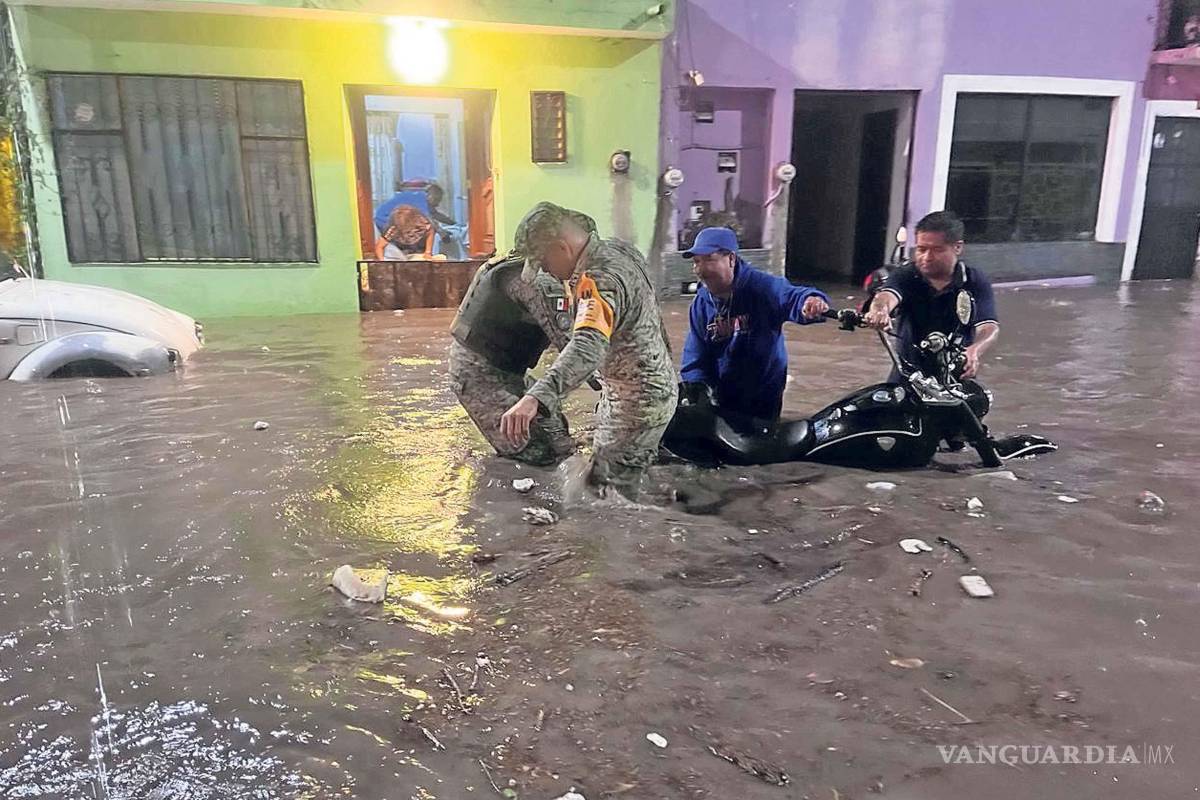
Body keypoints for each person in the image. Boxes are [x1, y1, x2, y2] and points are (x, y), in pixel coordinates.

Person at [498, 202, 677, 500]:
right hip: (646, 388)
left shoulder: (598, 279)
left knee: (604, 497)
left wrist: (535, 398)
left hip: (637, 402)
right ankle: (664, 500)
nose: (548, 273)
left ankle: (672, 532)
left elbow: (587, 345)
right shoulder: (621, 251)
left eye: (544, 263)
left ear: (561, 248)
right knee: (619, 479)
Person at [448, 233, 577, 465]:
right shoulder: (538, 282)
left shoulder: (511, 261)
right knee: (537, 453)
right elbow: (575, 349)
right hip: (478, 376)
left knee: (560, 439)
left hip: (505, 369)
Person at [679, 227, 830, 422]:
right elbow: (695, 353)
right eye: (696, 262)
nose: (700, 270)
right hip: (722, 392)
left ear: (731, 259)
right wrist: (696, 391)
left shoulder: (762, 287)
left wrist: (811, 302)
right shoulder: (701, 304)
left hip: (764, 391)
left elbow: (794, 297)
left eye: (709, 259)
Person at [863, 211, 998, 380]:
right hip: (907, 376)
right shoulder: (905, 275)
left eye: (937, 250)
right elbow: (886, 295)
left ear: (957, 247)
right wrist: (879, 310)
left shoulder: (974, 280)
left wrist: (974, 350)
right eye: (921, 249)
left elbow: (988, 326)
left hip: (955, 377)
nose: (927, 257)